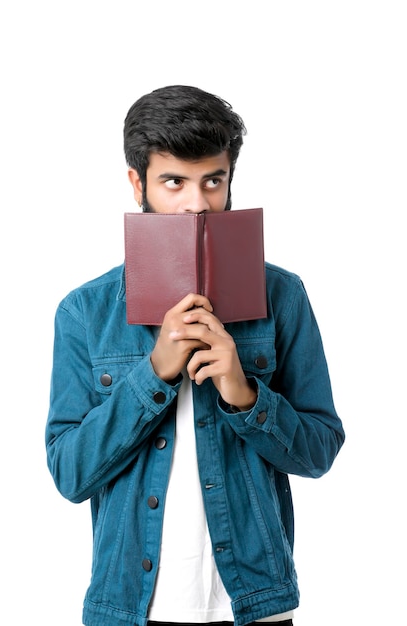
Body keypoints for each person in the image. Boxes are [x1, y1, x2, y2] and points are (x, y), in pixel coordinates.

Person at [45, 85, 345, 626]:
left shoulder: (282, 295)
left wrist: (243, 394)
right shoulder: (84, 311)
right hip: (130, 608)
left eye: (214, 180)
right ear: (138, 183)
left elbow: (319, 451)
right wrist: (153, 373)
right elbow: (70, 473)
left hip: (254, 604)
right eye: (173, 181)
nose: (197, 203)